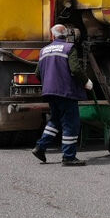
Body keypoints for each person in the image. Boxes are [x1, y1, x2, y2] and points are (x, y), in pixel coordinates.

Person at [31, 24, 92, 167]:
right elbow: (76, 69)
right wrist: (86, 81)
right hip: (65, 92)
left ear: (53, 36)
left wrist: (49, 83)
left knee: (55, 120)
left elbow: (37, 74)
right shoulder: (69, 48)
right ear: (66, 35)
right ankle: (69, 157)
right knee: (71, 123)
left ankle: (40, 147)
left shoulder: (44, 50)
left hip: (50, 92)